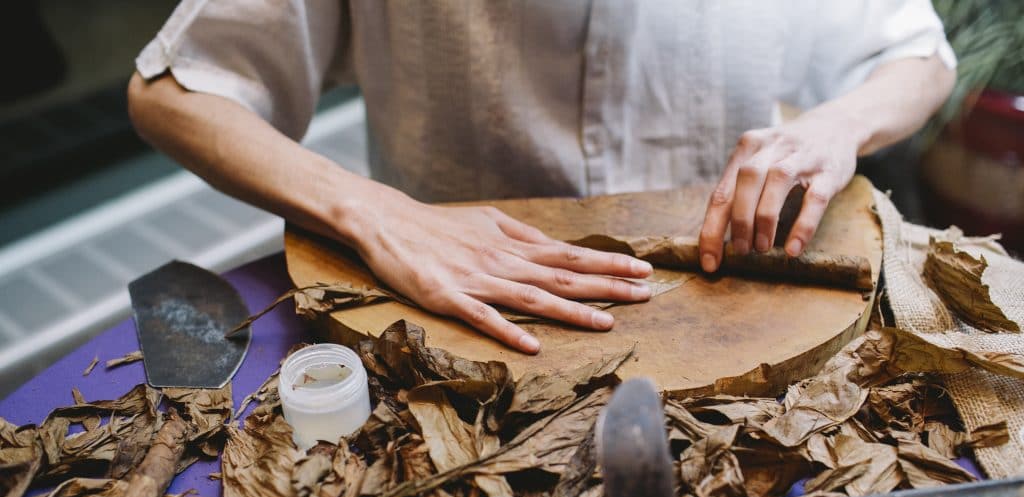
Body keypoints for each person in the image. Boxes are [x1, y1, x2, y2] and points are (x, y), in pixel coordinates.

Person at [128, 1, 955, 353]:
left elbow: (916, 54)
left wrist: (835, 127)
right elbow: (172, 89)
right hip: (453, 320)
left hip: (734, 314)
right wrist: (371, 209)